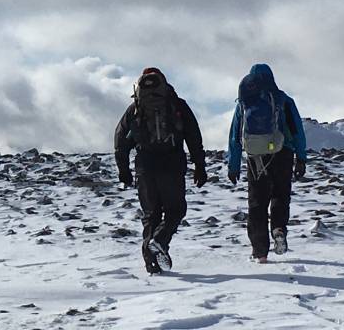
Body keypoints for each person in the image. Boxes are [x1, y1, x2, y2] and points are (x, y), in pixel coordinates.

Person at [115, 67, 208, 274]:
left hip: (145, 167)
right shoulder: (176, 104)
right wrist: (199, 166)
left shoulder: (136, 108)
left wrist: (124, 170)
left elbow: (120, 139)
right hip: (172, 165)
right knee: (176, 210)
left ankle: (152, 264)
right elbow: (193, 136)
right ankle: (159, 241)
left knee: (151, 215)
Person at [227, 63, 307, 263]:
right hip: (282, 152)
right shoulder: (283, 99)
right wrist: (301, 159)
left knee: (257, 203)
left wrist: (233, 165)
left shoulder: (245, 101)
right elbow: (297, 131)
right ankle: (279, 229)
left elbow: (235, 135)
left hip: (256, 157)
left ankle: (260, 252)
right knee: (280, 195)